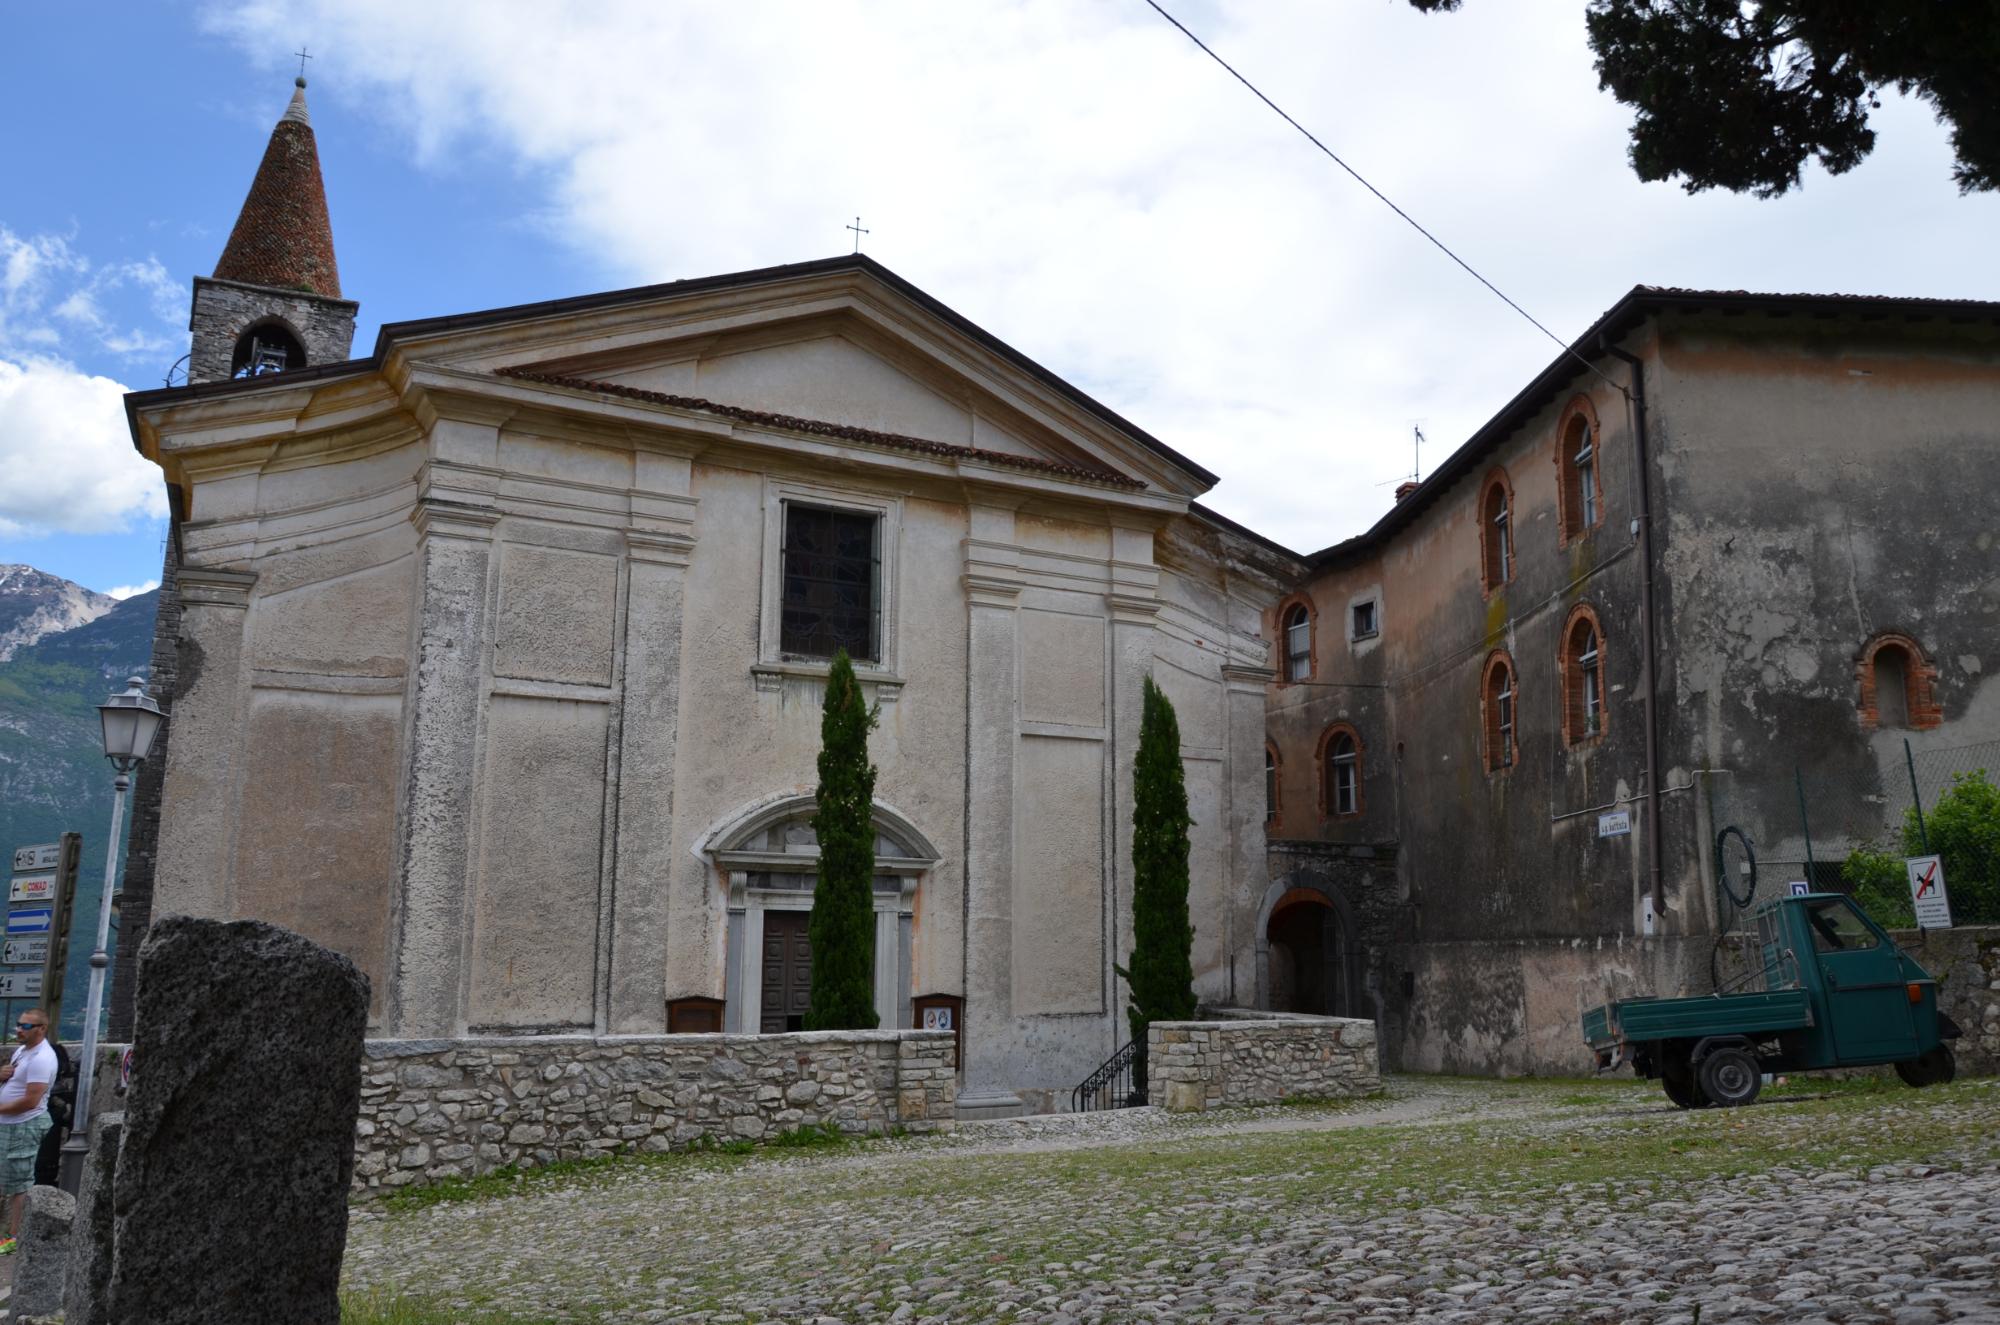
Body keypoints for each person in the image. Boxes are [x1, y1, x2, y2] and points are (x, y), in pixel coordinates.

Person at [0, 1008, 58, 1255]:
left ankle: (14, 1236)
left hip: (23, 1124)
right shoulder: (22, 1051)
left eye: (25, 1026)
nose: (18, 1030)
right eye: (18, 1024)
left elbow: (31, 1100)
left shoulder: (42, 1059)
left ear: (41, 1029)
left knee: (19, 1183)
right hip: (7, 1123)